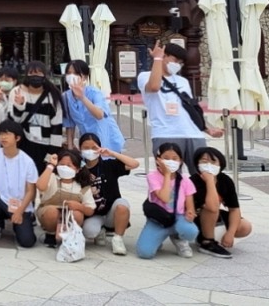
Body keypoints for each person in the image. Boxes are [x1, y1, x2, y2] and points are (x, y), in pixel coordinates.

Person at [138, 42, 223, 174]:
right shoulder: (145, 76)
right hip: (166, 133)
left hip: (193, 134)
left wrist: (207, 129)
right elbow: (154, 87)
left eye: (180, 62)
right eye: (175, 60)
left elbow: (191, 108)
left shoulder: (182, 81)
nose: (177, 65)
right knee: (169, 176)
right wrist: (157, 59)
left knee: (203, 174)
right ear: (164, 56)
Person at [0, 119, 38, 247]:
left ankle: (22, 223)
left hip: (20, 205)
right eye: (1, 134)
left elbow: (31, 191)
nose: (3, 137)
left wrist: (20, 211)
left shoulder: (27, 161)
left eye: (7, 134)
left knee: (27, 241)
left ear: (17, 138)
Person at [137, 142, 199, 259]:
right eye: (166, 158)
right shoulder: (152, 176)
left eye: (175, 158)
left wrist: (190, 212)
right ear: (158, 160)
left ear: (180, 161)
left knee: (190, 231)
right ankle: (157, 237)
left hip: (178, 216)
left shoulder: (185, 180)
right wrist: (167, 174)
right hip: (159, 218)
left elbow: (189, 203)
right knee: (145, 253)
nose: (171, 161)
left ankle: (179, 238)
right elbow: (164, 197)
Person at [79, 132, 138, 255]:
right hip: (93, 213)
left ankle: (118, 239)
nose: (90, 151)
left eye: (94, 147)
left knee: (123, 205)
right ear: (80, 149)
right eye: (86, 148)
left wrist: (112, 153)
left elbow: (134, 164)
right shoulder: (79, 170)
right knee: (89, 232)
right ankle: (100, 231)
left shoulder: (109, 165)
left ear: (100, 148)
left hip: (111, 211)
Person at [191, 146, 252, 258]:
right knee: (211, 208)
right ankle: (207, 242)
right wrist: (209, 181)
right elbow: (212, 206)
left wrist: (231, 233)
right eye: (204, 161)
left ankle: (214, 236)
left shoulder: (225, 181)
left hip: (214, 217)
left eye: (213, 161)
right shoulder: (194, 181)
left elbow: (234, 209)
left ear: (220, 164)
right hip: (195, 218)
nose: (209, 164)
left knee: (245, 227)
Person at [8, 61, 64, 172]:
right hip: (24, 144)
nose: (35, 77)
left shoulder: (53, 95)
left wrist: (51, 154)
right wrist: (19, 106)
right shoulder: (17, 92)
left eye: (39, 74)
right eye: (32, 74)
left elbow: (57, 127)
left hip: (44, 145)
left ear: (45, 76)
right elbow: (13, 122)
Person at [35, 149, 96, 248]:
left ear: (77, 169)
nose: (64, 168)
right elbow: (40, 186)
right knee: (51, 212)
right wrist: (50, 166)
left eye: (69, 165)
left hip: (70, 214)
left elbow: (90, 210)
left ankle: (70, 236)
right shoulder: (52, 177)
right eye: (61, 164)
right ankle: (50, 233)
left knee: (78, 214)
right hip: (48, 212)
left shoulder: (82, 186)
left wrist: (79, 206)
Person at [62, 59, 125, 154]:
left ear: (85, 77)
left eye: (75, 73)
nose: (71, 76)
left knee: (108, 163)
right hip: (87, 140)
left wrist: (82, 97)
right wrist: (70, 148)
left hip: (106, 138)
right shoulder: (66, 96)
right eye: (69, 73)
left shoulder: (95, 93)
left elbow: (99, 115)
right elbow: (69, 124)